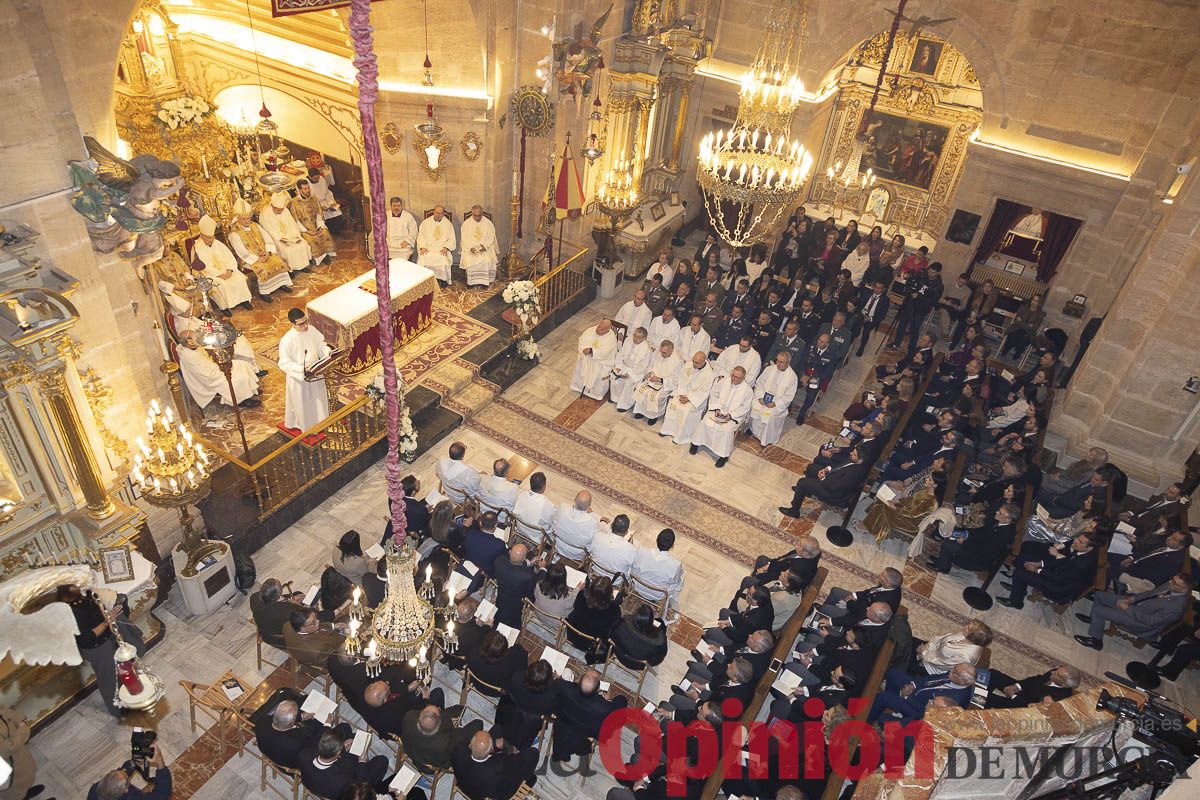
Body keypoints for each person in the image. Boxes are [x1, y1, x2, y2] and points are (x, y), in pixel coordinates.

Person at [1074, 574, 1193, 650]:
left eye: (1174, 583)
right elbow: (1149, 594)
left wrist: (1127, 608)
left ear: (1184, 589)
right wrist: (1132, 599)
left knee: (1100, 611)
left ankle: (1096, 641)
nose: (1170, 583)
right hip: (1136, 606)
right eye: (1172, 579)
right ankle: (1094, 621)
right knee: (1100, 595)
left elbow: (1150, 622)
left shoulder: (1176, 608)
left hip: (1141, 622)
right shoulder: (1170, 584)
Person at [59, 585, 120, 716]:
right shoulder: (71, 614)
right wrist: (107, 621)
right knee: (108, 679)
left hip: (106, 639)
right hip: (97, 648)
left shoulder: (83, 596)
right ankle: (116, 709)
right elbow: (87, 638)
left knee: (118, 669)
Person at [998, 532, 1098, 609]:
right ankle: (1019, 590)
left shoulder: (1081, 565)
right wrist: (1040, 564)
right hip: (1058, 576)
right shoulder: (1082, 551)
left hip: (1059, 588)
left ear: (1089, 548)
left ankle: (1016, 603)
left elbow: (1058, 578)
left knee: (1019, 573)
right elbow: (1063, 561)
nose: (1076, 542)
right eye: (1078, 539)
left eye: (1081, 542)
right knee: (1024, 561)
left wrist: (1037, 570)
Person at [278, 307, 334, 433]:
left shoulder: (311, 330)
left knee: (319, 398)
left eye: (306, 321)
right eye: (301, 324)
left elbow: (320, 345)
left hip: (316, 370)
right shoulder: (287, 340)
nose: (305, 326)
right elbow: (284, 363)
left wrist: (327, 353)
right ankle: (307, 427)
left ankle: (322, 422)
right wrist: (301, 369)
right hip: (300, 378)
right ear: (293, 324)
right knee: (305, 404)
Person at [552, 670, 628, 762]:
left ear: (579, 681)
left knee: (567, 671)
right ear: (597, 689)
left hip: (564, 722)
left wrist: (558, 679)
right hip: (588, 731)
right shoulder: (605, 708)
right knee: (622, 699)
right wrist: (608, 701)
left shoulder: (565, 688)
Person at [227, 198, 293, 300]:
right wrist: (257, 259)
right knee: (263, 267)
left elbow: (267, 239)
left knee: (278, 261)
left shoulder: (255, 225)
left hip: (264, 253)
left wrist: (268, 252)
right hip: (248, 258)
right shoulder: (234, 233)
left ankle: (282, 283)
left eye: (248, 218)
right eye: (243, 219)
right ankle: (264, 292)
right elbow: (241, 251)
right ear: (238, 218)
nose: (247, 221)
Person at [174, 330, 260, 409]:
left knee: (242, 363)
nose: (198, 339)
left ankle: (250, 389)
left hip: (215, 368)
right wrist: (221, 370)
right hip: (213, 378)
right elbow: (206, 375)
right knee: (240, 376)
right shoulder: (189, 357)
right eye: (195, 338)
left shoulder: (189, 349)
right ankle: (241, 401)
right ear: (189, 342)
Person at [867, 663, 975, 724]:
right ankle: (894, 705)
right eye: (955, 667)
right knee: (893, 674)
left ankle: (866, 721)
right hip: (918, 690)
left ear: (963, 682)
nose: (951, 671)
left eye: (955, 672)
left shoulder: (956, 700)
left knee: (882, 698)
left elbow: (927, 712)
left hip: (918, 711)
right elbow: (932, 678)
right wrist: (913, 685)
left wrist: (907, 696)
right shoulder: (955, 674)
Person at [929, 502, 1020, 575]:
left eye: (1000, 513)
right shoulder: (999, 522)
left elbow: (985, 550)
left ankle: (943, 567)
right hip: (978, 547)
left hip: (978, 559)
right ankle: (943, 560)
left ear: (1008, 519)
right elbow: (981, 532)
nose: (996, 513)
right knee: (953, 533)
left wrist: (964, 542)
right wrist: (965, 532)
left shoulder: (1004, 535)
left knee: (948, 544)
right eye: (998, 511)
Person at [689, 365, 753, 467]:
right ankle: (695, 443)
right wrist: (717, 408)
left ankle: (723, 456)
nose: (733, 378)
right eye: (733, 375)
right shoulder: (724, 381)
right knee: (705, 422)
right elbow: (714, 393)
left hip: (733, 416)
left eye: (737, 377)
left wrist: (730, 415)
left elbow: (745, 408)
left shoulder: (747, 390)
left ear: (743, 378)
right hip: (717, 411)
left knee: (726, 430)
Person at [298, 728, 389, 798]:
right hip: (341, 792)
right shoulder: (341, 780)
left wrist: (344, 748)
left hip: (311, 783)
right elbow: (358, 783)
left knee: (353, 736)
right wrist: (362, 762)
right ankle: (374, 790)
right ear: (338, 753)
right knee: (382, 761)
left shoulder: (304, 755)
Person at [779, 446, 867, 517]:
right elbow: (839, 467)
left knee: (802, 483)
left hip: (832, 493)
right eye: (853, 451)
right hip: (832, 478)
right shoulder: (853, 460)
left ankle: (794, 511)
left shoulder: (853, 473)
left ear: (860, 460)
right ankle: (807, 492)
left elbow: (834, 487)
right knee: (811, 468)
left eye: (854, 454)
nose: (851, 453)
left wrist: (822, 478)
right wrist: (827, 469)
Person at [451, 730, 538, 800]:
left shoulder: (457, 752)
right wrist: (510, 750)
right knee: (533, 753)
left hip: (464, 785)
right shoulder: (498, 766)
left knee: (497, 729)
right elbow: (511, 761)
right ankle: (530, 779)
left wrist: (493, 745)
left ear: (470, 744)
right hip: (491, 793)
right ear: (491, 749)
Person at [192, 214, 253, 312]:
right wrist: (219, 274)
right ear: (202, 235)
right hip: (212, 274)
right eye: (208, 238)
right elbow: (202, 267)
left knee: (240, 278)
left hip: (227, 271)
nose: (211, 240)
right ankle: (225, 307)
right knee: (222, 285)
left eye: (212, 237)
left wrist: (229, 270)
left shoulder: (218, 243)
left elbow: (230, 257)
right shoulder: (197, 248)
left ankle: (244, 300)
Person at [860, 474, 941, 543]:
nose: (926, 479)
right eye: (928, 477)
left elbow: (912, 514)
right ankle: (870, 524)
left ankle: (869, 527)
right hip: (907, 511)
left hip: (910, 523)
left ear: (935, 485)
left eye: (929, 479)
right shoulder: (926, 491)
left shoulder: (930, 502)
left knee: (884, 506)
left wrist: (895, 508)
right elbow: (910, 500)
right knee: (883, 500)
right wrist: (898, 501)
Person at [401, 704, 483, 770]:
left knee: (454, 707)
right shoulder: (444, 743)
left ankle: (460, 708)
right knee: (478, 723)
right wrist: (453, 727)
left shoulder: (409, 716)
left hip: (413, 752)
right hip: (434, 762)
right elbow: (455, 739)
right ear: (439, 723)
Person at [659, 351, 717, 444]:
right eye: (694, 361)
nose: (694, 364)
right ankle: (668, 430)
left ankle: (681, 437)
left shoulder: (709, 374)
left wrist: (689, 398)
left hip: (695, 400)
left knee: (686, 411)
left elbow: (703, 392)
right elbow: (681, 379)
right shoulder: (689, 365)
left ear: (704, 361)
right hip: (683, 393)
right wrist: (682, 393)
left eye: (697, 363)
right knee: (673, 404)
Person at [255, 698, 328, 770]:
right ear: (291, 722)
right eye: (296, 715)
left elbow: (279, 719)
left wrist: (301, 717)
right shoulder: (297, 740)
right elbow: (317, 743)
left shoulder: (261, 722)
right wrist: (327, 725)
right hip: (290, 763)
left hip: (267, 750)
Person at [87, 740, 172, 800]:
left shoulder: (95, 789)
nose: (124, 770)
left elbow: (124, 771)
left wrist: (135, 761)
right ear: (126, 790)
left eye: (119, 771)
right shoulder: (132, 797)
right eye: (127, 778)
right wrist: (160, 762)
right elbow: (162, 794)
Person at [748, 352, 798, 447]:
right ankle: (753, 431)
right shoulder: (769, 369)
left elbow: (788, 396)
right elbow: (759, 384)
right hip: (763, 397)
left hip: (776, 403)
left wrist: (775, 403)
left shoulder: (792, 377)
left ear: (788, 362)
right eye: (778, 361)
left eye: (782, 362)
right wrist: (760, 397)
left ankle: (766, 438)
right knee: (755, 407)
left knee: (770, 415)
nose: (778, 364)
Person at [631, 340, 684, 424]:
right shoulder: (657, 353)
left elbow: (676, 379)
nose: (662, 354)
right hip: (653, 379)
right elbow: (651, 365)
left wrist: (661, 380)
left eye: (664, 353)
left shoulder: (678, 361)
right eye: (661, 351)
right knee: (642, 389)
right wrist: (649, 372)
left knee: (656, 396)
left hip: (665, 384)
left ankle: (653, 416)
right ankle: (641, 411)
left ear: (671, 350)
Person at [566, 576, 622, 654]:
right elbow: (614, 629)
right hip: (593, 645)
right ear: (610, 593)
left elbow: (575, 608)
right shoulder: (614, 609)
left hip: (574, 635)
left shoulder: (582, 594)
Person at [260, 191, 315, 271]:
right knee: (288, 250)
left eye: (282, 209)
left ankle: (302, 267)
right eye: (279, 210)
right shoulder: (265, 214)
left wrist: (295, 235)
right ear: (273, 206)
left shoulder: (285, 210)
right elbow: (269, 230)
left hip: (291, 236)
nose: (281, 211)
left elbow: (292, 224)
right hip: (276, 238)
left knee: (302, 244)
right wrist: (281, 238)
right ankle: (289, 269)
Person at [631, 529, 685, 609]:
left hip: (638, 586)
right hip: (658, 594)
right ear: (672, 546)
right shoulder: (675, 565)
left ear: (657, 540)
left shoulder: (642, 552)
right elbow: (676, 582)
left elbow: (634, 568)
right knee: (683, 575)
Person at [984, 665, 1080, 709]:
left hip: (1021, 705)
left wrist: (1013, 696)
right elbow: (1036, 679)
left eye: (1057, 674)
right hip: (1025, 690)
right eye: (1057, 669)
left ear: (1063, 684)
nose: (1053, 672)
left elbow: (1031, 709)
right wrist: (1017, 686)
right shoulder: (1055, 672)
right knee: (992, 674)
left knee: (986, 698)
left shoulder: (1056, 700)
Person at [917, 621, 993, 673]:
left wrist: (923, 653)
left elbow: (942, 665)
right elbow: (942, 638)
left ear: (973, 637)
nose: (965, 626)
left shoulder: (965, 657)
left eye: (968, 628)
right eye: (968, 624)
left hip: (931, 667)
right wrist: (927, 645)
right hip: (929, 650)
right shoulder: (965, 635)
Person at [570, 319, 619, 400]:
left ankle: (595, 394)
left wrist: (592, 351)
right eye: (599, 326)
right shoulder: (591, 330)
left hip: (601, 361)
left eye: (602, 329)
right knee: (581, 362)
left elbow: (605, 353)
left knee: (598, 372)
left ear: (608, 329)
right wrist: (585, 350)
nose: (599, 329)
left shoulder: (611, 338)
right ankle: (578, 387)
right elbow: (582, 341)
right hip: (587, 357)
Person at [290, 180, 337, 264]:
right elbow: (295, 221)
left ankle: (327, 254)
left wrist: (320, 226)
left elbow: (319, 214)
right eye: (305, 189)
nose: (308, 190)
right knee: (312, 239)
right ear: (299, 190)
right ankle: (319, 258)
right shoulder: (294, 203)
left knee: (324, 233)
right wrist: (307, 231)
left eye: (308, 188)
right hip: (304, 229)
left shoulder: (314, 199)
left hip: (316, 226)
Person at [251, 578, 307, 649]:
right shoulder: (288, 612)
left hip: (263, 632)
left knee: (297, 593)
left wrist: (289, 599)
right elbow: (303, 616)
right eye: (280, 591)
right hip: (280, 640)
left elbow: (279, 603)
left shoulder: (254, 597)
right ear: (277, 595)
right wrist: (297, 605)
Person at [611, 327, 654, 412]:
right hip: (624, 366)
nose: (635, 338)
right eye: (635, 335)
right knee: (613, 376)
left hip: (636, 372)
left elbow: (643, 366)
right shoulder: (628, 340)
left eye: (638, 337)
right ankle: (616, 398)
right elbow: (621, 354)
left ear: (644, 338)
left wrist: (628, 373)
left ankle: (625, 404)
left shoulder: (647, 350)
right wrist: (619, 367)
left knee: (628, 383)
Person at [494, 543, 536, 628]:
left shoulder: (499, 561)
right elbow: (529, 591)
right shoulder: (528, 575)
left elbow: (512, 567)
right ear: (524, 558)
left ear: (509, 552)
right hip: (516, 602)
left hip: (501, 595)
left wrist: (528, 563)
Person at [552, 490, 601, 560]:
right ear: (589, 505)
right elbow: (594, 543)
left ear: (574, 499)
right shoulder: (592, 522)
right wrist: (592, 515)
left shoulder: (562, 508)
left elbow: (554, 523)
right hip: (577, 555)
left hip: (558, 546)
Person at [512, 471, 556, 544]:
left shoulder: (521, 494)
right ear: (544, 487)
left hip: (520, 529)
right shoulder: (548, 505)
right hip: (536, 537)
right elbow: (553, 522)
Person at [417, 205, 456, 287]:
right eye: (436, 212)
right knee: (423, 257)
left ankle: (443, 280)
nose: (438, 215)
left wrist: (446, 248)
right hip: (428, 247)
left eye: (440, 213)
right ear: (433, 212)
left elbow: (451, 239)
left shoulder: (448, 224)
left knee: (442, 258)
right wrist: (423, 246)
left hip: (442, 248)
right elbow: (421, 236)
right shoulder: (426, 222)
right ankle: (424, 279)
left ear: (443, 214)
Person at [460, 205, 498, 286]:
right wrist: (471, 248)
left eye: (479, 215)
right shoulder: (466, 224)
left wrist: (485, 246)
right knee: (470, 260)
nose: (477, 218)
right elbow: (464, 239)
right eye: (475, 216)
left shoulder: (488, 223)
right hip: (471, 249)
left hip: (484, 248)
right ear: (472, 213)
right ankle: (471, 282)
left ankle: (484, 282)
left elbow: (491, 237)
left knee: (486, 259)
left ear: (482, 213)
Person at [385, 196, 418, 261]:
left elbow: (414, 231)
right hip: (389, 245)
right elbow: (381, 230)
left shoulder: (408, 216)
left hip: (403, 246)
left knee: (403, 262)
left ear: (401, 206)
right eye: (394, 206)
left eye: (398, 205)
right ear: (391, 206)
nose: (396, 208)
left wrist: (407, 241)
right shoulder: (386, 216)